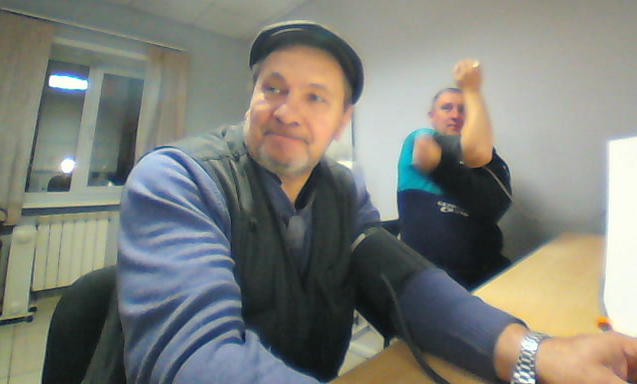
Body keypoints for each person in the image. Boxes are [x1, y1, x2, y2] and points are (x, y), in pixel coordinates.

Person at [117, 21, 637, 384]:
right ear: (251, 98)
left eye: (315, 96)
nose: (288, 111)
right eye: (273, 89)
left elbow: (408, 287)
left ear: (341, 121)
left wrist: (537, 354)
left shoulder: (343, 192)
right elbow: (192, 359)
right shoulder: (178, 179)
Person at [397, 60, 512, 289]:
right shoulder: (420, 140)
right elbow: (475, 152)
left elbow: (496, 206)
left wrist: (446, 168)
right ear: (432, 115)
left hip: (487, 275)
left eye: (463, 109)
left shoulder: (490, 159)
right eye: (446, 108)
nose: (455, 115)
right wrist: (472, 90)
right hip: (432, 283)